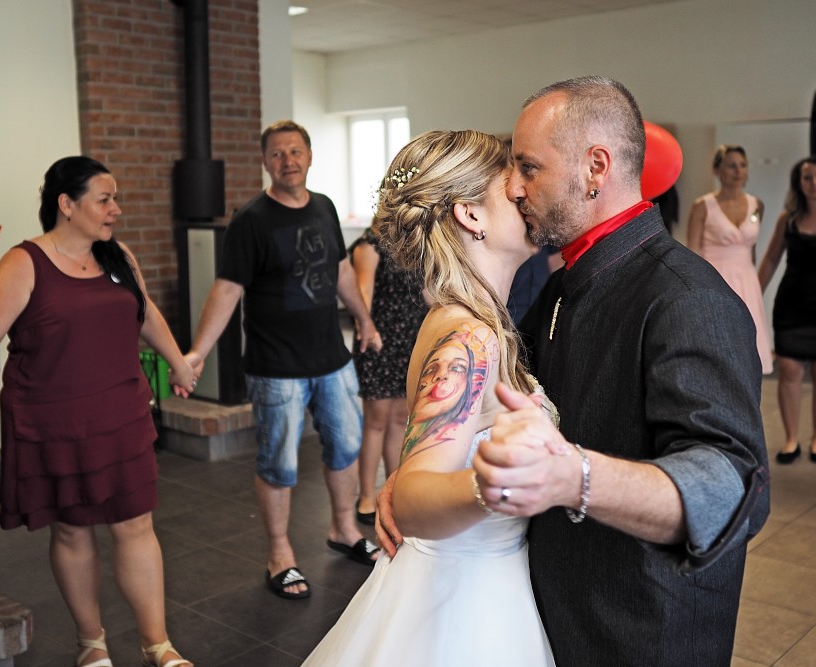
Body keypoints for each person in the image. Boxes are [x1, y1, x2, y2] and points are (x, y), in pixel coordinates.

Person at [380, 77, 770, 666]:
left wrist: (576, 478)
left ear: (595, 169)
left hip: (639, 630)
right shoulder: (562, 287)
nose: (515, 185)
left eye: (528, 167)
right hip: (552, 612)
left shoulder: (687, 298)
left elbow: (731, 487)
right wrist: (427, 474)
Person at [0, 157, 197, 667]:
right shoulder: (23, 263)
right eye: (104, 199)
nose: (116, 209)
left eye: (116, 198)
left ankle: (158, 645)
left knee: (136, 523)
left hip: (121, 414)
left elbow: (145, 312)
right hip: (53, 421)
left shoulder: (117, 257)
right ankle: (91, 644)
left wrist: (178, 363)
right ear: (66, 205)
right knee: (72, 528)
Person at [303, 130, 556, 667]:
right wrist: (496, 480)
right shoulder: (470, 338)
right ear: (471, 214)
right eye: (513, 188)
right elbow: (414, 498)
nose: (527, 195)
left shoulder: (466, 319)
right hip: (465, 602)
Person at [184, 120, 382, 601]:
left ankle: (344, 529)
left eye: (295, 151)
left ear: (309, 156)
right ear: (265, 162)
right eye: (277, 154)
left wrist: (364, 320)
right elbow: (227, 290)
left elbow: (340, 271)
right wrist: (197, 352)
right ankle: (280, 554)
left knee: (345, 446)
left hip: (331, 358)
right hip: (275, 367)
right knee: (278, 462)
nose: (288, 161)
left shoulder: (324, 207)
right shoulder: (252, 220)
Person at [757, 155, 816, 464]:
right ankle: (791, 439)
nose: (814, 183)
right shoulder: (788, 219)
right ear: (799, 184)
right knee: (789, 371)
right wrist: (752, 296)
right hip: (791, 307)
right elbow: (771, 259)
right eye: (807, 178)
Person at [348, 220, 428, 525]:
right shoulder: (369, 244)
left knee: (399, 419)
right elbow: (363, 290)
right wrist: (365, 331)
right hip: (379, 341)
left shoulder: (414, 242)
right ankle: (367, 497)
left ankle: (393, 490)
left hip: (411, 340)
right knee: (376, 421)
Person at [686, 144, 772, 373]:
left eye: (742, 165)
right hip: (715, 278)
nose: (738, 171)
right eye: (731, 166)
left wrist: (756, 283)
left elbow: (752, 249)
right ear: (717, 170)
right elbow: (692, 252)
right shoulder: (703, 206)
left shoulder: (756, 205)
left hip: (747, 280)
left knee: (748, 352)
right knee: (717, 348)